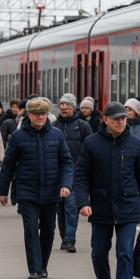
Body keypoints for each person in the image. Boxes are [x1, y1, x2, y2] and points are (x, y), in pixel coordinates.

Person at [74, 102, 140, 279]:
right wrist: (83, 202)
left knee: (125, 253)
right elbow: (81, 175)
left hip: (128, 207)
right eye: (116, 118)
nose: (121, 122)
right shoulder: (91, 143)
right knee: (99, 253)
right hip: (100, 206)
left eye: (124, 118)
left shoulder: (136, 144)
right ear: (105, 120)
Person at [0, 97, 74, 279]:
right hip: (27, 189)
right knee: (31, 230)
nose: (40, 117)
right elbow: (8, 165)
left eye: (43, 114)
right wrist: (3, 191)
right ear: (28, 115)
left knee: (48, 230)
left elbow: (66, 163)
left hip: (51, 189)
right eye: (36, 114)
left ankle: (43, 265)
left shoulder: (56, 135)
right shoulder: (18, 136)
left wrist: (66, 184)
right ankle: (34, 269)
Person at [51, 93, 93, 253]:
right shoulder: (53, 126)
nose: (64, 107)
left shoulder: (83, 126)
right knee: (60, 208)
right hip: (56, 174)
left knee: (70, 206)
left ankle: (70, 239)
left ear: (73, 107)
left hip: (76, 172)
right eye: (62, 104)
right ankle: (64, 237)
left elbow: (90, 149)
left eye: (67, 105)